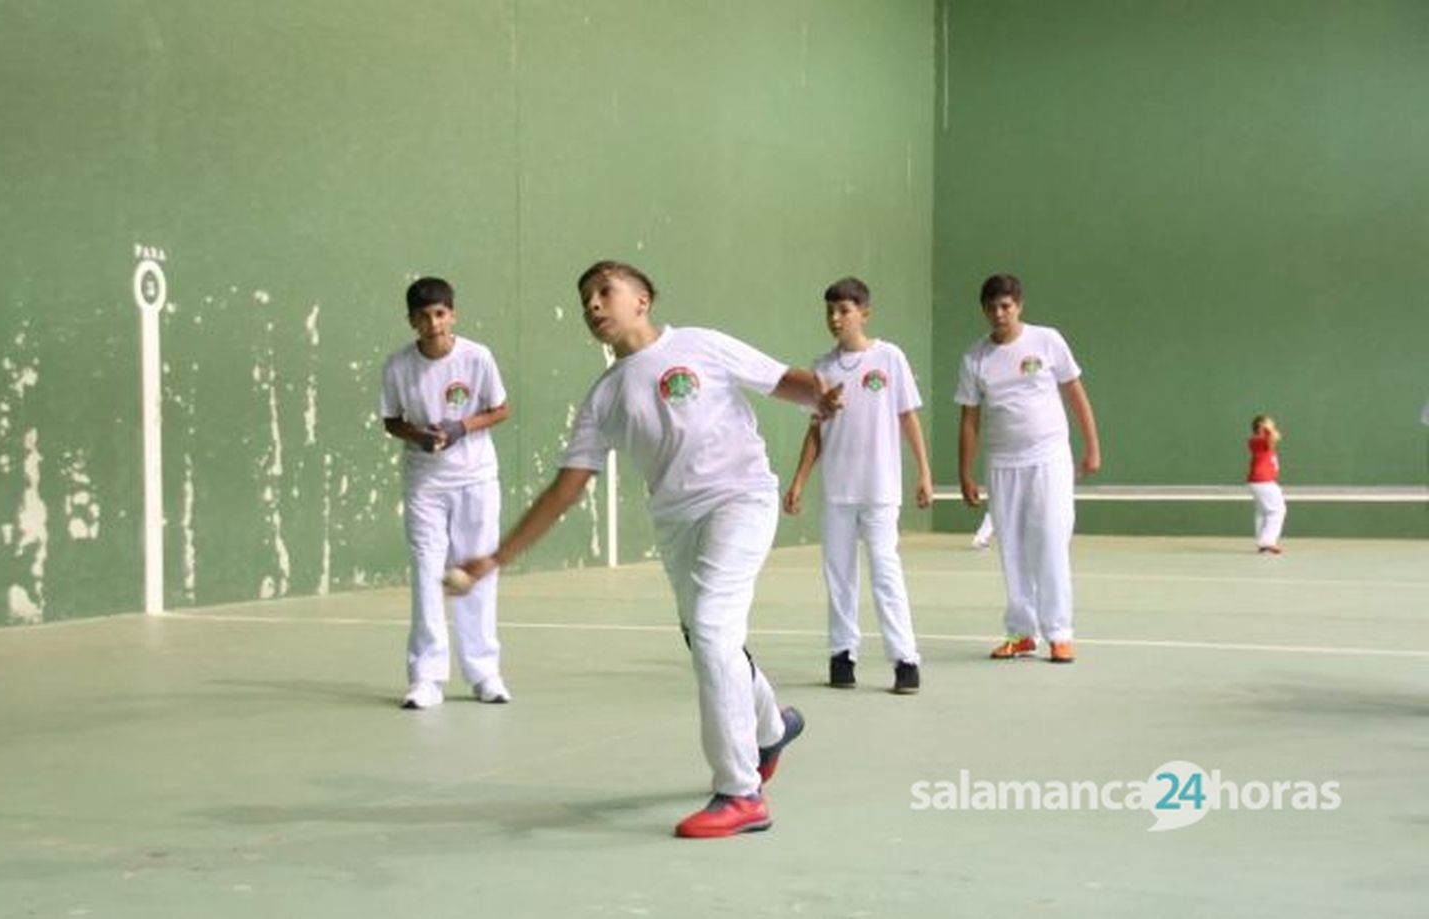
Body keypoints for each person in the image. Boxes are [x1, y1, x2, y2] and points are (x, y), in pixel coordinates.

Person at [455, 260, 841, 838]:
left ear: (643, 299)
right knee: (709, 639)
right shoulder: (605, 396)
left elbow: (780, 379)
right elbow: (566, 488)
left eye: (603, 292)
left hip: (741, 499)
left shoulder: (700, 344)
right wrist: (496, 558)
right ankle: (770, 726)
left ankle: (740, 793)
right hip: (675, 523)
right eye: (585, 299)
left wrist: (820, 395)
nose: (592, 305)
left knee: (711, 631)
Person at [783, 277, 932, 694]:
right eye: (830, 311)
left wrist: (922, 472)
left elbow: (908, 417)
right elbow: (815, 430)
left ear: (864, 312)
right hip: (836, 490)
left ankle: (905, 660)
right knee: (838, 574)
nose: (835, 319)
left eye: (844, 311)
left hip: (881, 488)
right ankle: (841, 655)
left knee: (885, 570)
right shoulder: (821, 369)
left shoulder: (889, 358)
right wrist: (798, 481)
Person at [380, 276, 512, 709]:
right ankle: (426, 678)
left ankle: (484, 673)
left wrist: (461, 427)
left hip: (476, 480)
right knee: (425, 572)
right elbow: (391, 420)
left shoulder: (478, 357)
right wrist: (418, 435)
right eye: (423, 316)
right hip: (425, 483)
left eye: (439, 313)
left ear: (452, 314)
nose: (433, 323)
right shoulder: (398, 366)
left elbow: (500, 409)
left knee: (477, 572)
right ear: (411, 321)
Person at [955, 274, 1100, 664]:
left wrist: (1092, 447)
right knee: (1013, 550)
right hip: (1003, 464)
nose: (999, 314)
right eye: (991, 308)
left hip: (1049, 458)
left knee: (1051, 540)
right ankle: (1022, 633)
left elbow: (1075, 394)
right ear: (984, 311)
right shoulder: (975, 358)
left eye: (1006, 306)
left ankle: (1059, 633)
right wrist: (965, 472)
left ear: (1019, 305)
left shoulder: (1047, 340)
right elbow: (969, 419)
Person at [1247, 414, 1285, 554]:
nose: (1273, 425)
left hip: (1260, 482)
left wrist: (1269, 429)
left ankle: (1262, 541)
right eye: (1270, 423)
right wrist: (1268, 429)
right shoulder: (1257, 440)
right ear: (1262, 425)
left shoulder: (1262, 441)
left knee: (1263, 512)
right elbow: (1275, 437)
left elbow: (1274, 439)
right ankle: (1268, 541)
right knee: (1277, 511)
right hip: (1263, 482)